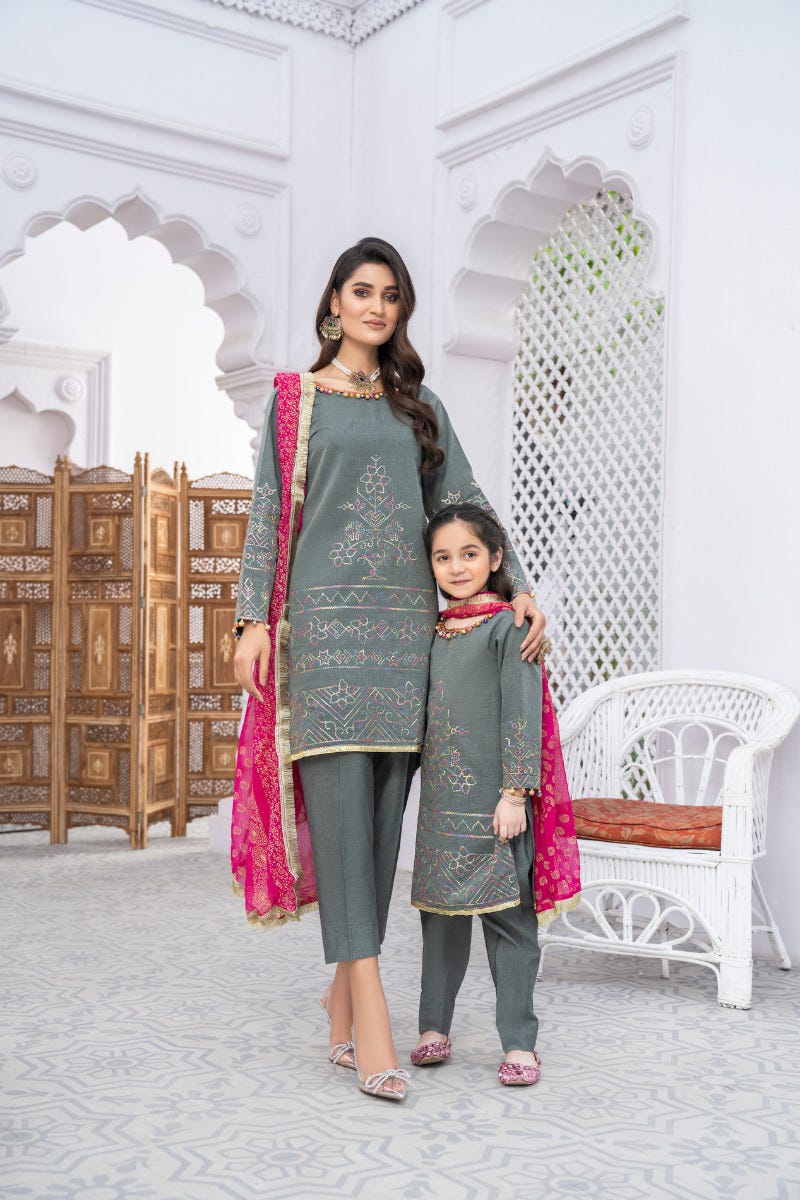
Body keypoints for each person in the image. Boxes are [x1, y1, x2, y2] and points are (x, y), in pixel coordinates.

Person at [231, 237, 546, 1102]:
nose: (376, 307)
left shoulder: (419, 405)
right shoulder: (295, 401)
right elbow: (268, 512)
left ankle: (340, 1005)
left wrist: (516, 588)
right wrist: (252, 620)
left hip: (409, 644)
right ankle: (372, 1023)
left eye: (391, 295)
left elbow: (465, 505)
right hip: (324, 637)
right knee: (339, 830)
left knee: (376, 831)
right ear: (335, 303)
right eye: (362, 291)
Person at [410, 503, 580, 1086]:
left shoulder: (510, 627)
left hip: (497, 804)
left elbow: (521, 712)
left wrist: (514, 793)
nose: (456, 567)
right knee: (439, 918)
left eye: (469, 554)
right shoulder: (435, 631)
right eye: (443, 557)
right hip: (441, 807)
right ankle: (433, 1027)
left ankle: (519, 1043)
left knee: (510, 922)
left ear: (495, 558)